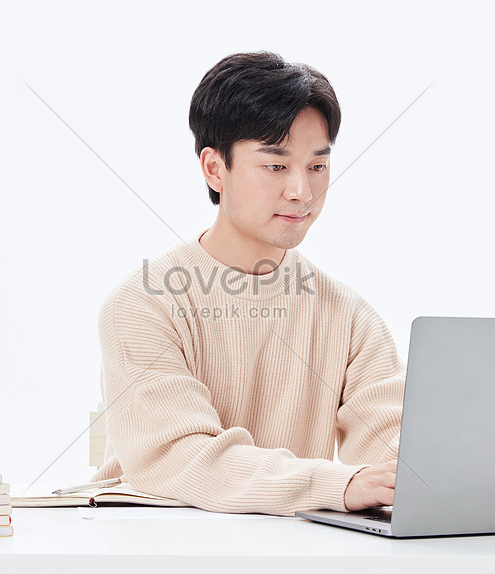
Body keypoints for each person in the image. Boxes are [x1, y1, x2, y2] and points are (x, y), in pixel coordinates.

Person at [91, 51, 405, 516]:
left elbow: (395, 454)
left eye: (317, 166)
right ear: (215, 168)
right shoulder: (143, 303)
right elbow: (182, 458)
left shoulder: (350, 316)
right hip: (151, 543)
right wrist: (339, 484)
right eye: (276, 166)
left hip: (283, 549)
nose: (302, 191)